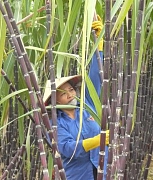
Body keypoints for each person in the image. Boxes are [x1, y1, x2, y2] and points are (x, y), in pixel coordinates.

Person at [43, 15, 109, 180]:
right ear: (55, 100)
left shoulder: (87, 106)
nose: (70, 94)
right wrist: (96, 141)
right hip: (78, 175)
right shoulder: (54, 123)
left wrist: (99, 45)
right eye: (63, 93)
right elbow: (66, 148)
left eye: (71, 89)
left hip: (102, 170)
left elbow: (95, 76)